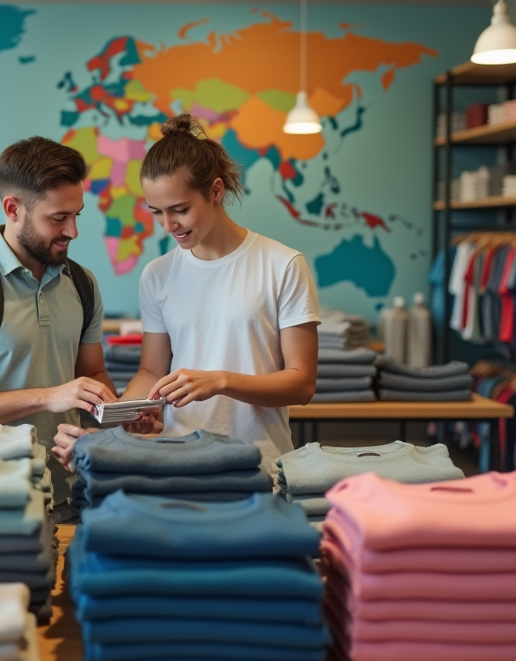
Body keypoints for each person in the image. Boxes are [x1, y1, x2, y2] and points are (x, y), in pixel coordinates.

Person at [53, 113, 319, 471]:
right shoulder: (158, 274)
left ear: (216, 191)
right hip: (176, 462)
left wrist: (220, 380)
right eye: (157, 212)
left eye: (180, 210)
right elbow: (151, 371)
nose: (168, 225)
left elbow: (301, 384)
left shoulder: (283, 265)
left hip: (259, 464)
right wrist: (127, 413)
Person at [0, 135, 117, 517]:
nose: (72, 231)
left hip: (72, 494)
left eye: (76, 215)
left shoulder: (83, 283)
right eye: (58, 218)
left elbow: (91, 376)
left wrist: (118, 417)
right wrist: (48, 396)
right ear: (13, 208)